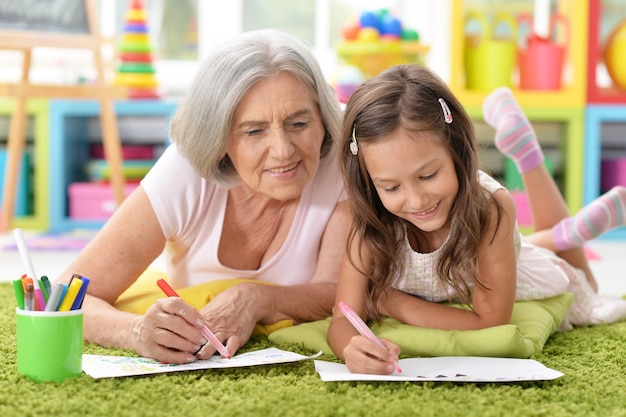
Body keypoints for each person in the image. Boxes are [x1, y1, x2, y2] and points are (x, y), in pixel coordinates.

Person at [57, 29, 349, 364]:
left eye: (299, 123)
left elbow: (336, 291)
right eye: (254, 131)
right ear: (219, 137)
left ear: (324, 120)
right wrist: (135, 331)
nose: (283, 151)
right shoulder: (185, 171)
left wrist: (254, 298)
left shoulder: (344, 155)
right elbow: (68, 295)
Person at [327, 64, 626, 375]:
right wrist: (351, 347)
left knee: (584, 282)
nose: (416, 200)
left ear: (457, 150)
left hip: (519, 271)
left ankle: (530, 159)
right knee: (531, 242)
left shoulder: (490, 207)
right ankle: (566, 232)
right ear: (369, 181)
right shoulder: (368, 219)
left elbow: (491, 321)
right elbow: (343, 316)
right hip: (490, 255)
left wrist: (393, 302)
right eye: (391, 187)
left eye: (428, 175)